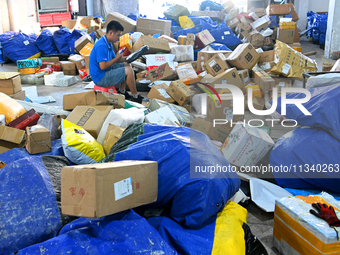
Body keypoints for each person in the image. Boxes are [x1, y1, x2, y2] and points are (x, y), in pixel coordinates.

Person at [89, 20, 143, 103]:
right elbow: (103, 66)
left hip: (105, 71)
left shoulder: (108, 42)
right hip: (100, 78)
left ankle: (122, 92)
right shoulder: (101, 46)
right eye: (118, 35)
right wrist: (117, 57)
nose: (118, 38)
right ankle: (135, 96)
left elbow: (115, 60)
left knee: (127, 65)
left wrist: (128, 58)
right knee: (128, 71)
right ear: (111, 33)